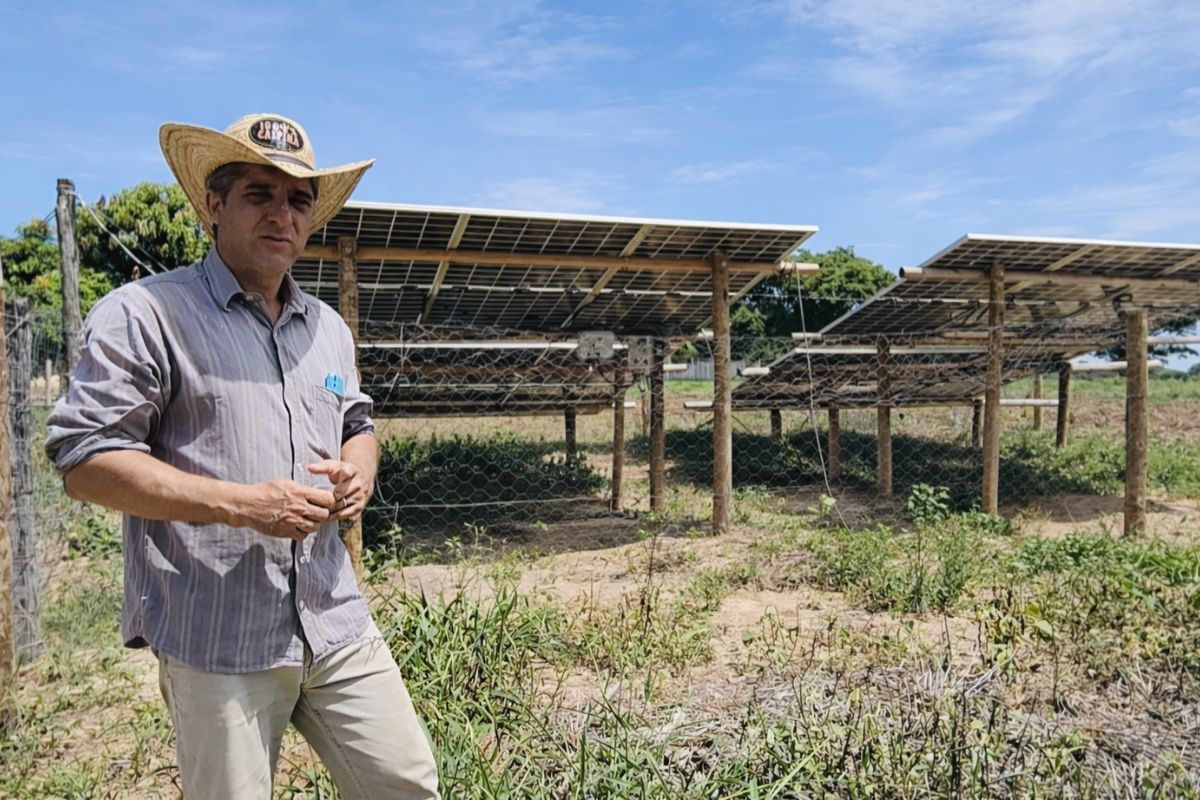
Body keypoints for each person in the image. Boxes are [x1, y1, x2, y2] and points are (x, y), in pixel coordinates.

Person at [46, 113, 440, 799]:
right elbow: (86, 460)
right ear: (213, 204)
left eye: (296, 200)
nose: (281, 214)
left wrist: (361, 473)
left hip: (332, 615)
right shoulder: (145, 315)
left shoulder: (327, 329)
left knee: (405, 782)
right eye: (259, 194)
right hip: (218, 636)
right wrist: (243, 505)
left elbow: (357, 420)